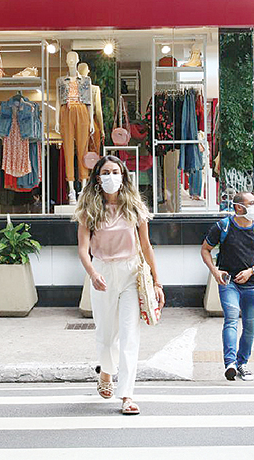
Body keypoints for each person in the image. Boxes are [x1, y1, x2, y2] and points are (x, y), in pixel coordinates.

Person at [74, 155, 165, 415]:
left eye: (116, 172)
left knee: (129, 335)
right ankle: (106, 372)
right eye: (106, 172)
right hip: (101, 271)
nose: (111, 177)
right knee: (106, 335)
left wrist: (157, 282)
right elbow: (82, 249)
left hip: (130, 273)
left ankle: (127, 395)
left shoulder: (134, 207)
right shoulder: (88, 209)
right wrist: (92, 272)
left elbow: (146, 246)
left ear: (124, 176)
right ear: (97, 177)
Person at [201, 191, 254, 381]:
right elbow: (205, 250)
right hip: (228, 282)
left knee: (250, 327)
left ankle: (243, 363)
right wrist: (215, 272)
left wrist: (252, 270)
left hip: (253, 284)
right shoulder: (223, 226)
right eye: (251, 203)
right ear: (238, 207)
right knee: (231, 319)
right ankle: (230, 363)